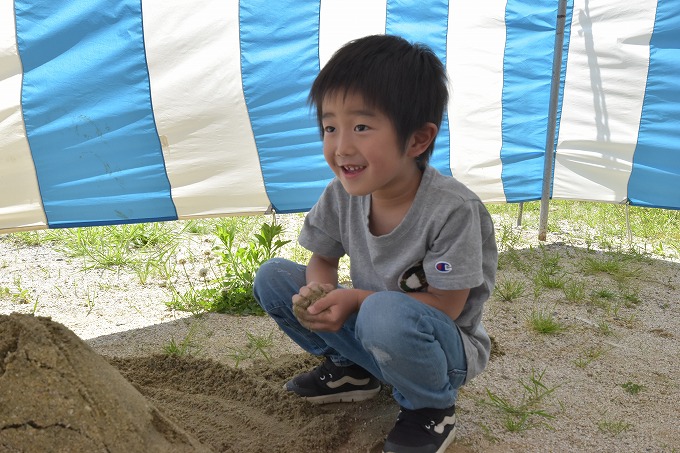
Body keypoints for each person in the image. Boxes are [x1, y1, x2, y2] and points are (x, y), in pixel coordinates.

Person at [253, 34, 497, 453]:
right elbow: (322, 259)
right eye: (331, 127)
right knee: (275, 277)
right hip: (373, 328)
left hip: (440, 349)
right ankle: (351, 371)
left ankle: (429, 408)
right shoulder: (340, 193)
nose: (341, 146)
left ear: (417, 140)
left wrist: (354, 299)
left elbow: (449, 306)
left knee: (383, 311)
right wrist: (321, 291)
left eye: (362, 127)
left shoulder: (453, 209)